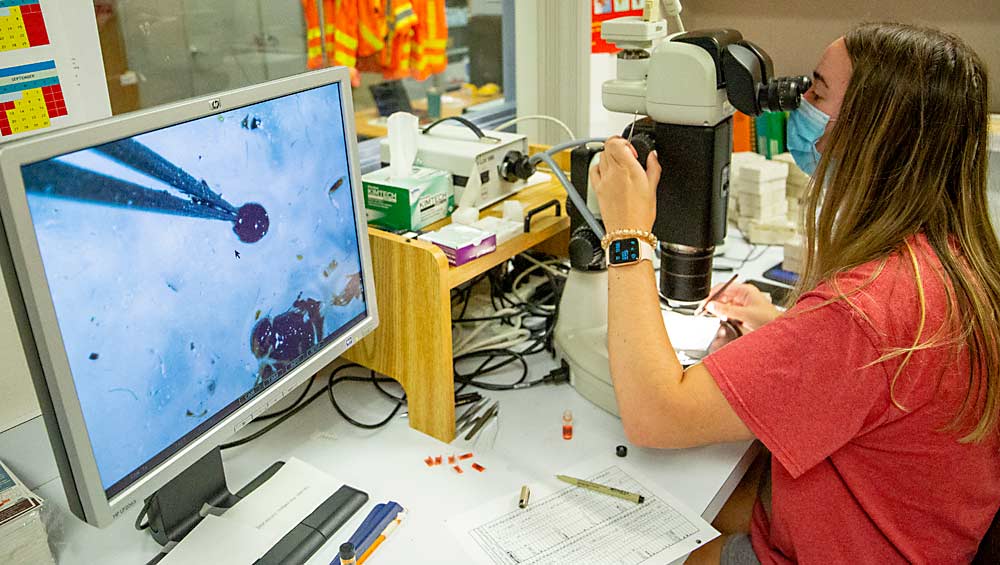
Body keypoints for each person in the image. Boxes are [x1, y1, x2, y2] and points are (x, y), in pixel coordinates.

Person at [591, 22, 1000, 565]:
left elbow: (655, 415)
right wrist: (783, 325)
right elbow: (860, 372)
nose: (798, 101)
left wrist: (628, 236)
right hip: (892, 531)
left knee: (628, 546)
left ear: (873, 134)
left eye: (818, 92)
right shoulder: (947, 261)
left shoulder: (866, 312)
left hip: (846, 549)